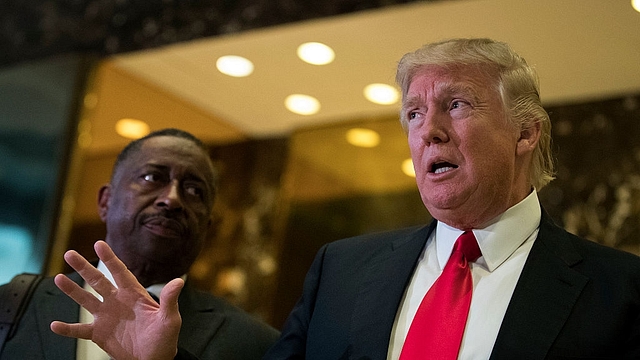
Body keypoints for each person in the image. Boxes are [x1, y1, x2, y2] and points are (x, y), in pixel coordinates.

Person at [49, 38, 640, 359]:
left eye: (456, 105)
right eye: (413, 113)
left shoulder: (621, 293)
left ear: (525, 131)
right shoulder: (342, 270)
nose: (426, 131)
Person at [0, 128, 279, 360]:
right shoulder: (13, 304)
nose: (171, 199)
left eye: (194, 190)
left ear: (208, 226)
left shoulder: (258, 345)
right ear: (105, 202)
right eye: (152, 177)